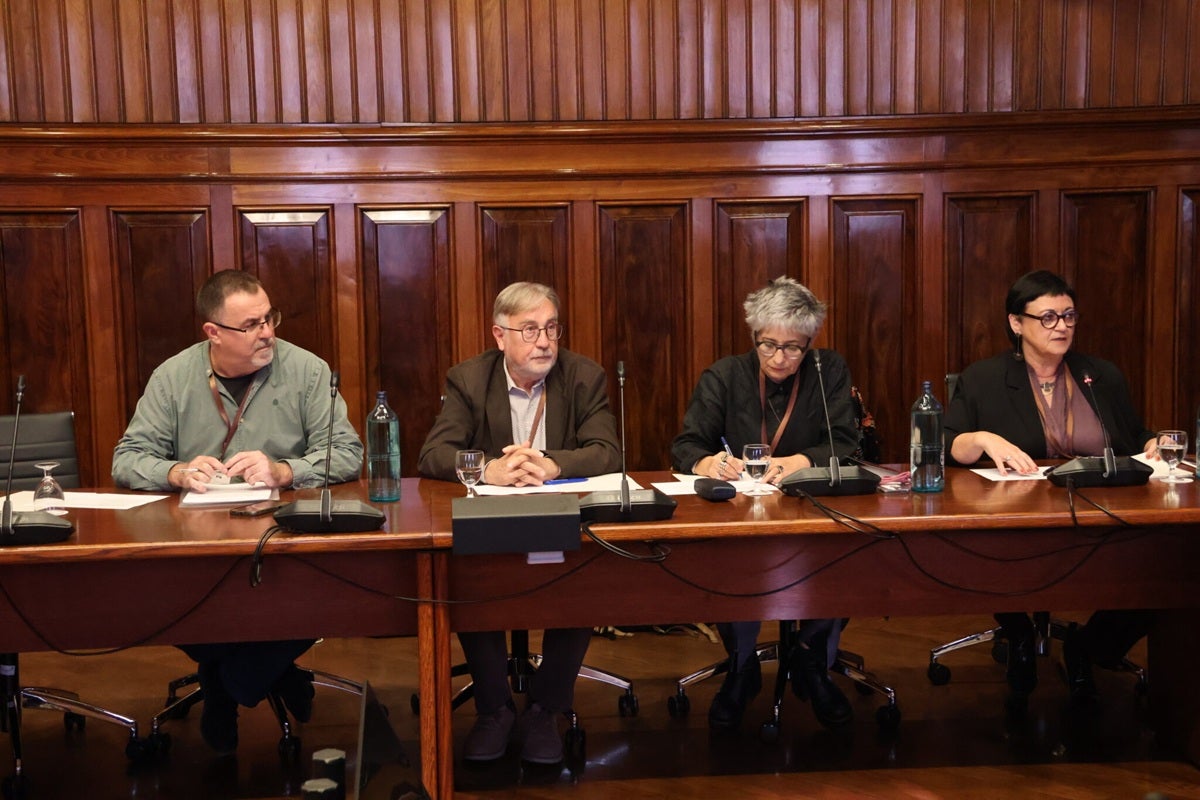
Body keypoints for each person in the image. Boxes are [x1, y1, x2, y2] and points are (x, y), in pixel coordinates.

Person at [112, 270, 364, 753]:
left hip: (287, 541)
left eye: (269, 318)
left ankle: (224, 685)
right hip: (197, 543)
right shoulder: (174, 377)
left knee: (332, 583)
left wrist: (285, 470)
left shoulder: (307, 370)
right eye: (251, 324)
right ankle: (266, 672)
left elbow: (346, 452)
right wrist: (177, 472)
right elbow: (127, 458)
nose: (267, 332)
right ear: (213, 333)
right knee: (167, 598)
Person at [417, 281, 620, 764]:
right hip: (494, 520)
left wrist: (551, 464)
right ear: (499, 336)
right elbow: (434, 454)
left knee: (581, 574)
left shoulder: (583, 376)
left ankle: (545, 709)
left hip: (563, 518)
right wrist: (488, 468)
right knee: (467, 575)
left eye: (551, 328)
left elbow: (608, 451)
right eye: (529, 330)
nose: (544, 341)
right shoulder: (468, 379)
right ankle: (494, 709)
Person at [944, 269, 1157, 703]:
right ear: (1016, 323)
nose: (1061, 326)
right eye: (1048, 317)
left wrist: (1154, 444)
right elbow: (947, 446)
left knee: (1165, 565)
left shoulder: (1101, 375)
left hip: (1103, 508)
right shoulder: (984, 379)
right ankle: (1018, 631)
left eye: (1068, 316)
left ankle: (1091, 646)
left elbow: (1134, 438)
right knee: (998, 549)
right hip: (1016, 514)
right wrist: (983, 438)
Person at [670, 276, 858, 732]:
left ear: (809, 343)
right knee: (729, 561)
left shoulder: (826, 370)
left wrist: (800, 460)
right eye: (768, 344)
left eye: (792, 347)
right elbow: (684, 447)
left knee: (850, 551)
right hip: (740, 513)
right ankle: (741, 665)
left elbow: (848, 445)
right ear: (754, 336)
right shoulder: (725, 375)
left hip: (812, 510)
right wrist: (709, 462)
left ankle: (813, 660)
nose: (779, 358)